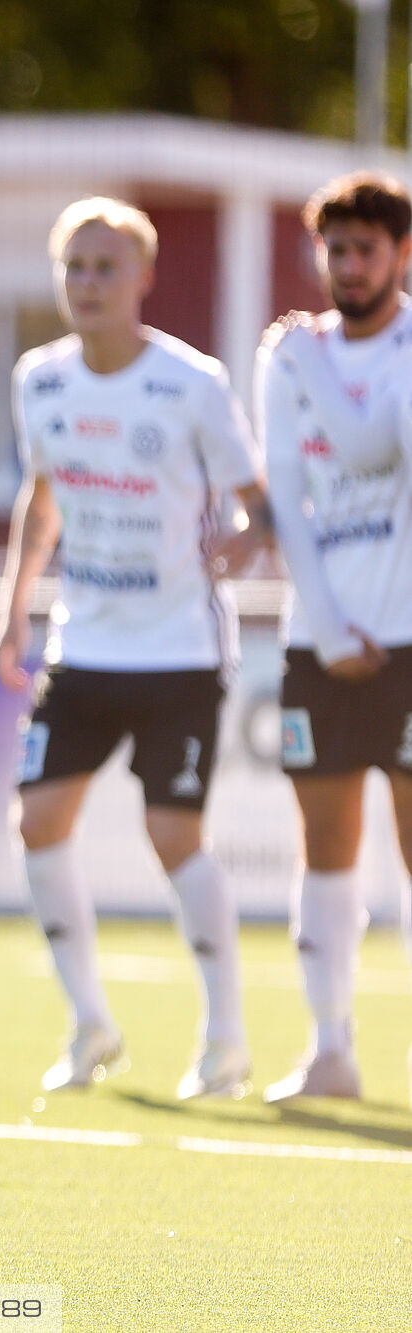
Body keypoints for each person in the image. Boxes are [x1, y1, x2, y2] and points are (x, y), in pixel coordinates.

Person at [0, 197, 271, 1099]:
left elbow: (255, 501)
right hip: (85, 645)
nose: (89, 283)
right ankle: (89, 1024)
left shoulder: (191, 383)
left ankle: (224, 1038)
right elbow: (42, 497)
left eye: (107, 267)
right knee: (37, 821)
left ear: (144, 278)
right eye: (75, 267)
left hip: (180, 650)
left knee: (171, 830)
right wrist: (14, 608)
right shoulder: (41, 379)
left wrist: (243, 541)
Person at [255, 171, 412, 1104]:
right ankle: (330, 1050)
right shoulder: (287, 357)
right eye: (336, 249)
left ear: (399, 254)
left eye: (366, 249)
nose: (348, 267)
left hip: (410, 641)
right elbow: (289, 498)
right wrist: (324, 623)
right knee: (323, 843)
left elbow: (369, 451)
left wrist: (309, 362)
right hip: (319, 641)